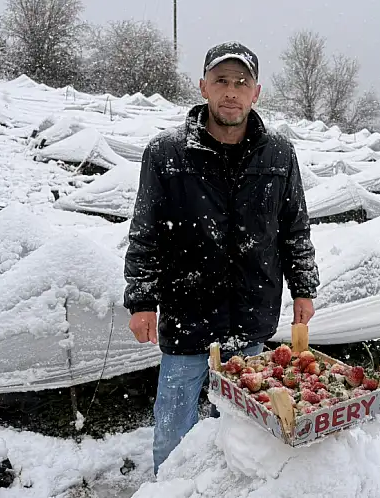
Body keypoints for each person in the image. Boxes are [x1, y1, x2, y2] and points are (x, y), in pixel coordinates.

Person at [123, 41, 320, 475]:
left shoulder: (279, 155)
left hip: (250, 315)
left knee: (239, 424)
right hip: (187, 311)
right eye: (221, 81)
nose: (231, 92)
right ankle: (169, 484)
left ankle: (223, 484)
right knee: (174, 427)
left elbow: (294, 228)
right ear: (203, 87)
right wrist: (141, 300)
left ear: (256, 92)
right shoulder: (166, 154)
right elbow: (146, 232)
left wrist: (304, 286)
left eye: (241, 83)